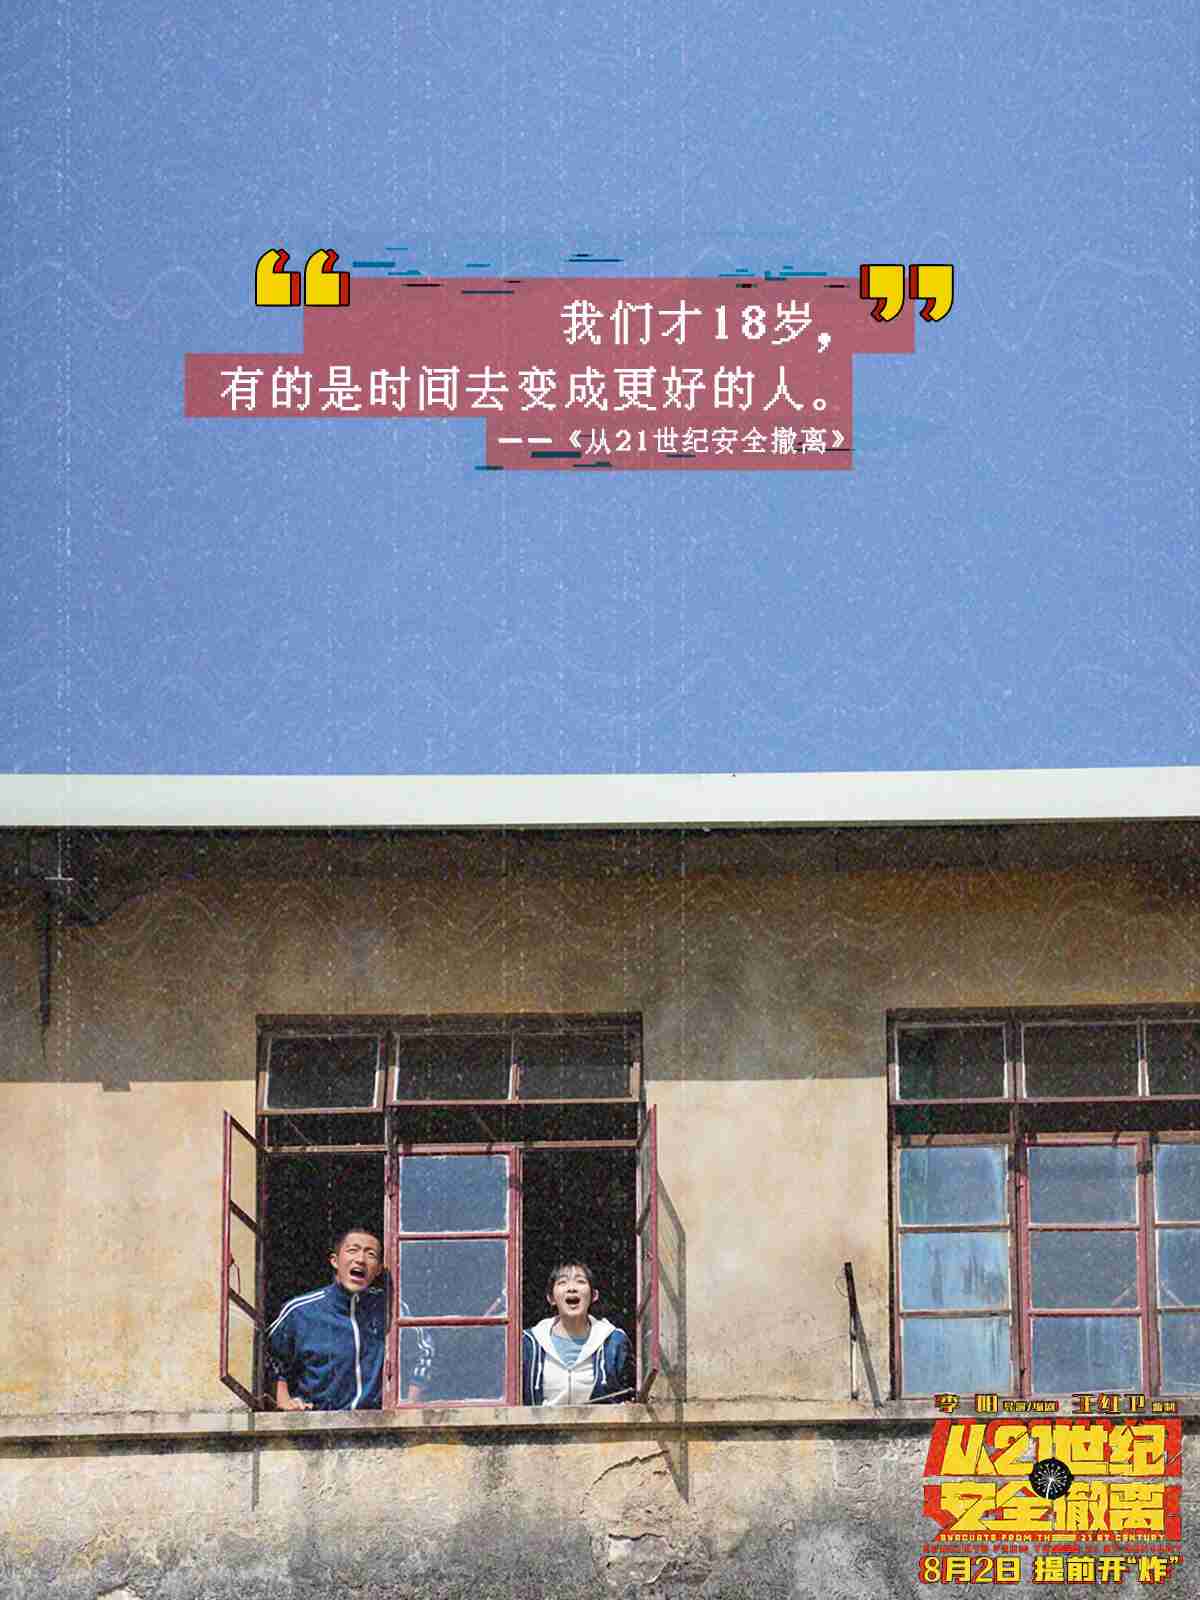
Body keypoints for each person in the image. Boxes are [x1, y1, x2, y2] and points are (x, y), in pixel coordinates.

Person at [268, 1225, 433, 1410]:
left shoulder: (391, 1308)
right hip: (316, 1420)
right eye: (352, 1250)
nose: (360, 1259)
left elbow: (424, 1352)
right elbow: (270, 1357)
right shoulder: (300, 1311)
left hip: (377, 1422)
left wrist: (410, 1402)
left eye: (370, 1254)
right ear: (335, 1261)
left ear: (379, 1269)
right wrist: (284, 1401)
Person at [522, 1260, 633, 1405]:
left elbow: (628, 1396)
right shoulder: (529, 1344)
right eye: (562, 1282)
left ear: (594, 1296)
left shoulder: (613, 1342)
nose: (572, 1288)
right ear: (551, 1298)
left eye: (580, 1281)